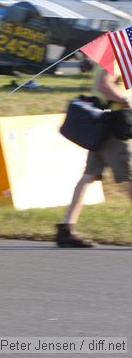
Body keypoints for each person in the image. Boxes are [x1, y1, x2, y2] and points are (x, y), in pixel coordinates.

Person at [57, 63, 132, 247]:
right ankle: (66, 229)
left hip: (103, 125)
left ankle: (66, 228)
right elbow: (103, 84)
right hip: (114, 127)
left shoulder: (111, 59)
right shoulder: (115, 60)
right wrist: (124, 100)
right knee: (129, 177)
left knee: (89, 176)